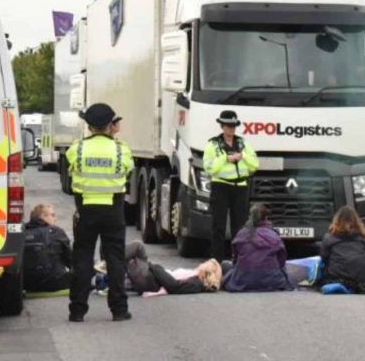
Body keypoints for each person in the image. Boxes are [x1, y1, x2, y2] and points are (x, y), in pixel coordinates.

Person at [66, 103, 134, 322]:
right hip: (113, 210)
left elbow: (72, 169)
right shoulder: (120, 149)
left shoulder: (76, 148)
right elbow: (127, 170)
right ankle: (119, 310)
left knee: (83, 259)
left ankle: (77, 311)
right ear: (109, 125)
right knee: (115, 259)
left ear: (89, 126)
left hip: (85, 210)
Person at [203, 110, 259, 261]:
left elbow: (254, 165)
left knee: (240, 228)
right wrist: (225, 159)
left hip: (240, 187)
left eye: (233, 126)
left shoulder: (242, 143)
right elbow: (209, 168)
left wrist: (243, 156)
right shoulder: (213, 144)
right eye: (228, 126)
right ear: (222, 126)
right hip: (220, 186)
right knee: (218, 227)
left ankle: (239, 261)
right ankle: (216, 262)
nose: (231, 129)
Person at [222, 203, 294, 292]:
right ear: (266, 217)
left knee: (224, 265)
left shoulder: (241, 234)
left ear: (250, 216)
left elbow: (235, 261)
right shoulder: (274, 236)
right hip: (272, 281)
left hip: (242, 282)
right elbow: (281, 261)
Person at [125, 241, 221, 295]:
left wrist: (155, 268)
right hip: (150, 278)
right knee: (133, 255)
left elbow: (173, 285)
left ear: (208, 269)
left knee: (138, 247)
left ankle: (112, 261)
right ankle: (114, 274)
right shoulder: (195, 277)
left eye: (205, 263)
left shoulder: (196, 283)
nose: (202, 263)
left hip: (150, 279)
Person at [318, 206, 365, 294]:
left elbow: (323, 259)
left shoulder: (329, 237)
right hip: (362, 281)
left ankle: (341, 286)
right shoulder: (363, 237)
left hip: (337, 277)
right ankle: (353, 288)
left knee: (319, 267)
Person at [23, 203, 73, 293]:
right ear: (43, 216)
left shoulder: (21, 233)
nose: (55, 219)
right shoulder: (56, 231)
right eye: (53, 215)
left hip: (28, 285)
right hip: (56, 282)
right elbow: (71, 260)